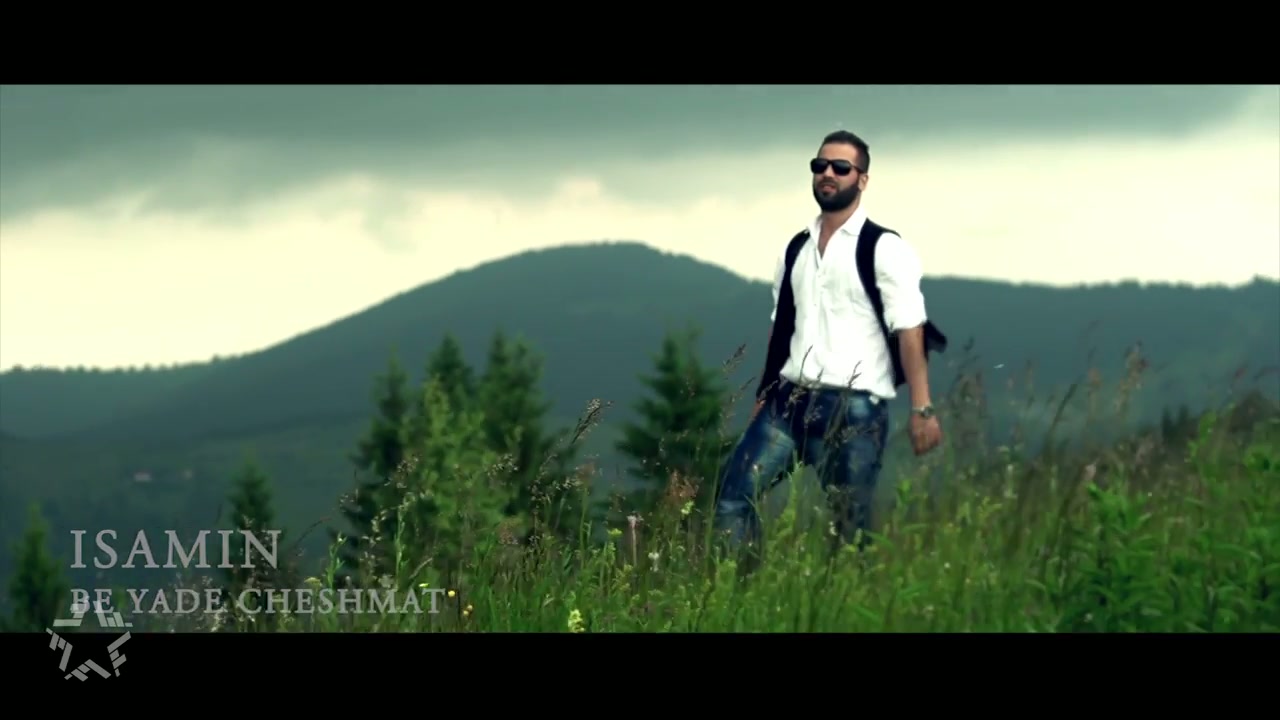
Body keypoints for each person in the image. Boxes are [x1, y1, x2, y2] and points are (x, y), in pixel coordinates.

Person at [713, 129, 944, 552]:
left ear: (862, 179)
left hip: (852, 409)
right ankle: (741, 586)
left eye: (841, 167)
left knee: (849, 531)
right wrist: (765, 392)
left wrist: (922, 408)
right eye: (820, 165)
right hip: (788, 402)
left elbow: (911, 329)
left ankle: (849, 594)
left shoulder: (884, 247)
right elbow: (782, 328)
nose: (828, 174)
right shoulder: (796, 248)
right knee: (731, 498)